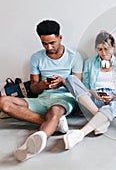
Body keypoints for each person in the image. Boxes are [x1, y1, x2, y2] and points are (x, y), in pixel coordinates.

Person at [0, 20, 83, 161]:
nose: (49, 47)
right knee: (4, 103)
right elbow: (33, 88)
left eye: (52, 43)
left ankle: (31, 145)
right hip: (43, 98)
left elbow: (78, 88)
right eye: (44, 43)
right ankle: (54, 124)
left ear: (60, 38)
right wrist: (43, 85)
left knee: (55, 111)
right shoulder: (36, 58)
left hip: (65, 97)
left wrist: (63, 82)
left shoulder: (74, 57)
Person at [62, 30, 116, 149]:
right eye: (99, 49)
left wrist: (114, 97)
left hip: (114, 98)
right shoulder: (89, 63)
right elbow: (86, 87)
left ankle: (81, 133)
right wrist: (95, 94)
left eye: (106, 49)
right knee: (70, 79)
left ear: (113, 47)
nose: (103, 53)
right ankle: (102, 120)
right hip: (93, 99)